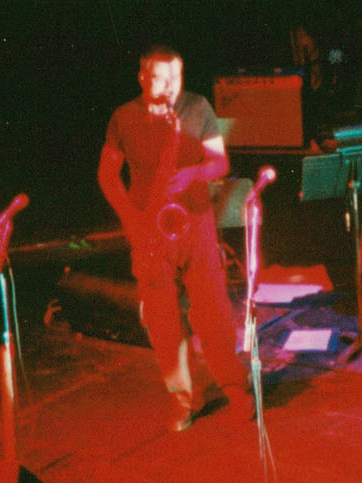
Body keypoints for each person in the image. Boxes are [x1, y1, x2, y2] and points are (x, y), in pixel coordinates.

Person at [97, 44, 249, 434]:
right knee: (163, 324)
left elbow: (220, 162)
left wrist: (193, 174)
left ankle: (235, 388)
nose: (170, 87)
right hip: (150, 230)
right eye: (161, 78)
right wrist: (131, 219)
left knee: (214, 312)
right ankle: (184, 399)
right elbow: (107, 175)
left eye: (176, 78)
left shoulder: (196, 107)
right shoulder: (123, 117)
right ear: (142, 77)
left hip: (195, 224)